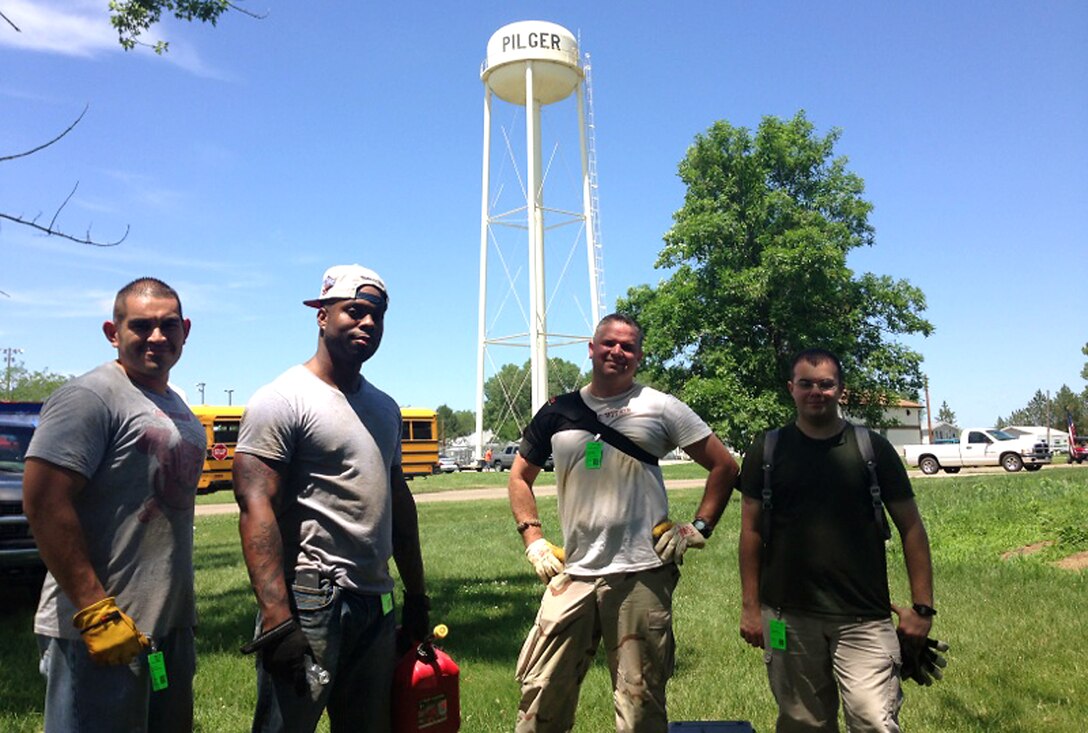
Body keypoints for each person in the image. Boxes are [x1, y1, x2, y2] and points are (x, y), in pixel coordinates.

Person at [508, 313, 739, 733]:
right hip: (573, 573)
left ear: (638, 355)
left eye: (628, 346)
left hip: (642, 575)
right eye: (609, 343)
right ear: (592, 348)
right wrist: (534, 540)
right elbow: (519, 477)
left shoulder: (661, 406)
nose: (618, 351)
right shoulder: (558, 411)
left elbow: (724, 466)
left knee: (640, 701)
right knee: (540, 691)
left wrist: (698, 528)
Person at [233, 264, 429, 733]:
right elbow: (255, 506)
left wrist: (417, 595)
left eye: (376, 316)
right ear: (322, 316)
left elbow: (398, 502)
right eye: (354, 312)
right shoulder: (283, 399)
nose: (366, 324)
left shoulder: (383, 407)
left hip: (376, 598)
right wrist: (279, 618)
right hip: (311, 598)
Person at [23, 277, 206, 733]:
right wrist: (94, 609)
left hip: (166, 628)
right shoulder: (90, 397)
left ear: (186, 329)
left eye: (168, 326)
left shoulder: (176, 403)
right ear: (113, 332)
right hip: (99, 628)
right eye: (141, 326)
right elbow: (44, 501)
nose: (157, 337)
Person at [738, 349, 935, 732]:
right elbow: (751, 532)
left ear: (840, 390)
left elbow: (912, 529)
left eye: (826, 384)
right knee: (802, 723)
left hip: (864, 617)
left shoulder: (871, 449)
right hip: (786, 617)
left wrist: (922, 608)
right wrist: (750, 607)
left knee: (874, 721)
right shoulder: (767, 450)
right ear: (790, 388)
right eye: (806, 383)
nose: (817, 391)